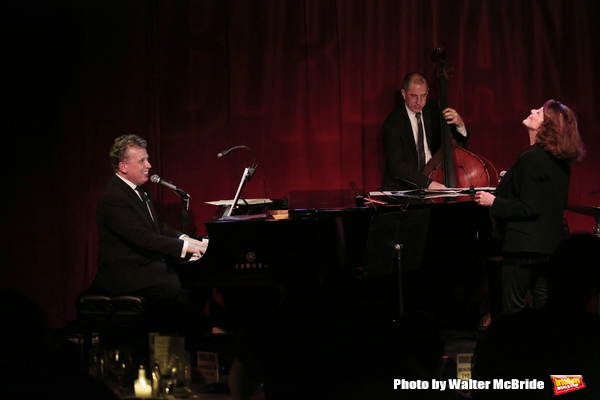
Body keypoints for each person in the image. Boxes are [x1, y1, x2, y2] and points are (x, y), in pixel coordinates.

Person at [474, 99, 585, 313]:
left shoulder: (530, 158)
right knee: (546, 310)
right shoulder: (560, 160)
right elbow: (552, 202)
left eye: (540, 112)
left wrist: (493, 201)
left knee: (512, 311)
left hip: (523, 248)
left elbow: (528, 207)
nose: (533, 110)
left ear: (546, 126)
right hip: (550, 247)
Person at [93, 135, 207, 325]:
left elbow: (157, 226)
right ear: (123, 167)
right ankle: (178, 341)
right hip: (126, 275)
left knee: (198, 279)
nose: (149, 165)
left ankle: (185, 336)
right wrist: (185, 246)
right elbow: (143, 237)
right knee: (186, 287)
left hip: (146, 266)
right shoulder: (113, 197)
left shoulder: (140, 189)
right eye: (142, 161)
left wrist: (187, 238)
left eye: (147, 158)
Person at [381, 72, 469, 190]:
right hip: (405, 188)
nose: (419, 102)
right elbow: (397, 166)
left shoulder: (432, 109)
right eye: (414, 96)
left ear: (428, 92)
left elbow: (458, 143)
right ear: (404, 94)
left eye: (423, 96)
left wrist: (459, 124)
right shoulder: (393, 122)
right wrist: (429, 184)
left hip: (435, 179)